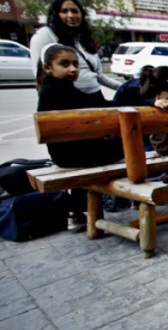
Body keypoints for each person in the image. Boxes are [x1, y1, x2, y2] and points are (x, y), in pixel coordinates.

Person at [36, 43, 124, 228]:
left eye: (76, 64)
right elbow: (98, 107)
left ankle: (76, 211)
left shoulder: (52, 88)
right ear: (47, 67)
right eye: (65, 64)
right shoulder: (59, 90)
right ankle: (124, 194)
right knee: (128, 146)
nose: (73, 69)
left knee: (113, 146)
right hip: (74, 155)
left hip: (66, 154)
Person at [30, 0, 121, 96]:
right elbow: (40, 75)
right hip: (67, 100)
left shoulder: (82, 38)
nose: (71, 15)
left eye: (74, 11)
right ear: (55, 14)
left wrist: (124, 87)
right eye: (64, 11)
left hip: (94, 96)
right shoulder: (45, 35)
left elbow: (98, 76)